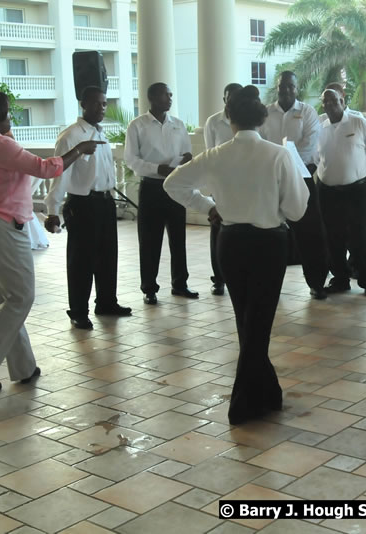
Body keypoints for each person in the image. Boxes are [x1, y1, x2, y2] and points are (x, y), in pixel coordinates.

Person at [163, 85, 309, 425]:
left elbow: (173, 184)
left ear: (229, 119)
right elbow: (298, 209)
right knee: (258, 324)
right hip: (269, 245)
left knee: (248, 322)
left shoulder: (217, 155)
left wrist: (208, 206)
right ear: (262, 118)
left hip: (230, 243)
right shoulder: (277, 155)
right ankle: (243, 404)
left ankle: (268, 393)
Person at [0, 90, 102, 390]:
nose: (11, 114)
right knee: (21, 298)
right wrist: (79, 149)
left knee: (6, 299)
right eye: (8, 110)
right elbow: (46, 168)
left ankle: (22, 366)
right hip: (1, 224)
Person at [46, 86, 132, 330]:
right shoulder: (71, 136)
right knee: (81, 261)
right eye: (96, 104)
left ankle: (106, 303)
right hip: (82, 204)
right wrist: (52, 209)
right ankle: (78, 311)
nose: (101, 108)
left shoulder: (100, 133)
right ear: (83, 104)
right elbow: (59, 174)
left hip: (104, 202)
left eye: (104, 104)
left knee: (108, 256)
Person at [124, 82, 196, 305]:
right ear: (153, 97)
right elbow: (131, 159)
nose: (170, 97)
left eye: (171, 94)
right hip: (152, 187)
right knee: (150, 240)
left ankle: (180, 284)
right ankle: (149, 288)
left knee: (178, 238)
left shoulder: (178, 124)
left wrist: (186, 159)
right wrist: (157, 169)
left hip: (175, 186)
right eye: (166, 94)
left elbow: (187, 152)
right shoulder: (137, 125)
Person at [259, 71, 328, 299]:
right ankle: (269, 284)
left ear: (297, 88)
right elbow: (259, 142)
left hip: (301, 177)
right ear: (277, 87)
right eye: (282, 86)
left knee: (310, 233)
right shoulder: (266, 113)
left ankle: (316, 283)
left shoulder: (307, 112)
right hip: (270, 178)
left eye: (291, 86)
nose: (286, 90)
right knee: (269, 230)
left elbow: (309, 145)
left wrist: (281, 159)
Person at [316, 89, 366, 296]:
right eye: (325, 102)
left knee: (359, 235)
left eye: (334, 101)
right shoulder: (319, 126)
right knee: (333, 237)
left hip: (356, 190)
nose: (330, 105)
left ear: (343, 102)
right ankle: (340, 279)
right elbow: (316, 158)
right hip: (327, 191)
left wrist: (357, 173)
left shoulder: (358, 123)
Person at [203, 82, 243, 297]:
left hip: (244, 185)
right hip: (221, 185)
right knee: (218, 232)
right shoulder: (213, 122)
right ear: (224, 100)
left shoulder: (249, 119)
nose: (233, 103)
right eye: (230, 99)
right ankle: (218, 279)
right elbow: (210, 154)